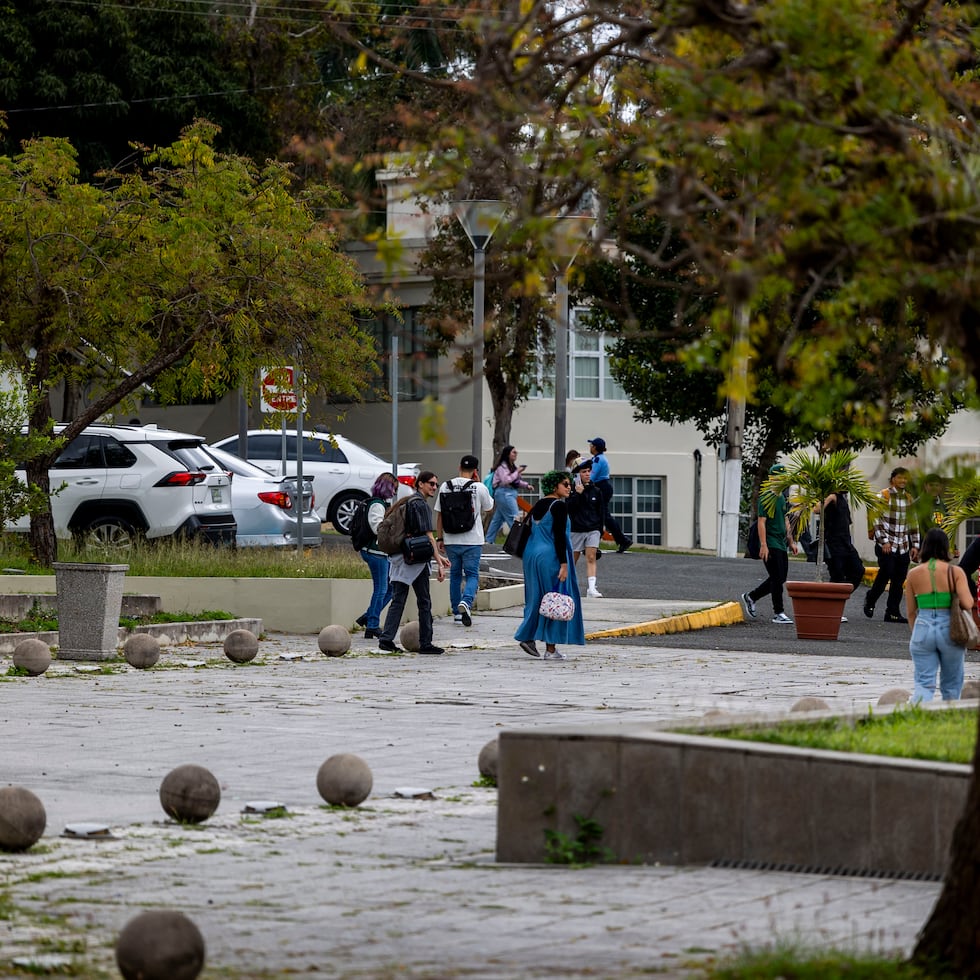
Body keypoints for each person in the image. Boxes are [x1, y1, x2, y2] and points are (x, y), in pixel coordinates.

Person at [515, 469, 586, 661]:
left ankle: (527, 635)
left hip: (531, 555)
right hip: (550, 556)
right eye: (565, 484)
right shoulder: (559, 506)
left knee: (535, 598)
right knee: (555, 598)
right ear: (555, 486)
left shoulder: (539, 504)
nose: (569, 487)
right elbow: (560, 536)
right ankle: (551, 649)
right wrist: (564, 563)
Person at [378, 471, 450, 655]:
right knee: (424, 602)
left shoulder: (407, 501)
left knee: (398, 600)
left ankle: (386, 639)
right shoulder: (420, 505)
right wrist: (439, 562)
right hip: (416, 560)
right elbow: (428, 536)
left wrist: (438, 557)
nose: (434, 487)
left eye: (436, 484)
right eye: (431, 484)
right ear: (420, 484)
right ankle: (425, 643)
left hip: (401, 557)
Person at [904, 528, 974, 702]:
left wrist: (917, 631)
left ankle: (917, 714)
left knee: (923, 684)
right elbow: (967, 603)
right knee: (951, 685)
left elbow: (911, 612)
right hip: (950, 629)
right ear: (945, 547)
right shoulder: (955, 572)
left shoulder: (913, 574)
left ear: (924, 547)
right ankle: (949, 715)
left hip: (922, 627)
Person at [434, 454, 494, 627]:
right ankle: (466, 602)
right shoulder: (479, 487)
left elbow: (440, 515)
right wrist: (479, 483)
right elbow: (489, 508)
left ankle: (456, 613)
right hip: (472, 540)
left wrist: (440, 538)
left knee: (455, 575)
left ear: (459, 467)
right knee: (472, 574)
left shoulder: (445, 486)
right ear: (475, 470)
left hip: (451, 539)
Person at [740, 463, 800, 624]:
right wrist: (764, 544)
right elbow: (761, 522)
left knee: (780, 578)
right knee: (776, 577)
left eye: (784, 478)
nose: (782, 480)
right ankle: (778, 612)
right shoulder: (766, 497)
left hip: (781, 543)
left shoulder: (781, 497)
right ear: (772, 478)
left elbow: (786, 519)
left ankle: (751, 596)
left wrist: (791, 541)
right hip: (770, 542)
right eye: (779, 477)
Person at [865, 466, 920, 623]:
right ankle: (870, 599)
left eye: (905, 478)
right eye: (900, 477)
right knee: (886, 572)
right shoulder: (883, 496)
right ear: (893, 479)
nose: (903, 480)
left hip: (903, 545)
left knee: (899, 579)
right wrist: (884, 541)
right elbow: (876, 520)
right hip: (886, 544)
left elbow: (913, 523)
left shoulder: (908, 499)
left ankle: (892, 612)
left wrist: (915, 545)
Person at [355, 472, 398, 639]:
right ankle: (372, 625)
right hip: (375, 552)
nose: (395, 492)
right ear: (387, 488)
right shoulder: (377, 505)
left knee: (389, 588)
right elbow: (377, 528)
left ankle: (369, 617)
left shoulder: (379, 504)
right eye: (393, 488)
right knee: (381, 589)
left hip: (378, 552)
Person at [821, 487, 866, 609]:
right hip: (834, 544)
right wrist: (827, 497)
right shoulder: (832, 496)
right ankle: (830, 608)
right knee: (837, 576)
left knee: (858, 570)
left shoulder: (843, 499)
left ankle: (837, 600)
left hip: (846, 543)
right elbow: (817, 509)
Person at [587, 437, 632, 554]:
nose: (590, 447)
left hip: (601, 487)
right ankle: (620, 540)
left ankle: (623, 540)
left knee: (604, 516)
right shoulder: (598, 458)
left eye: (591, 445)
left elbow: (592, 477)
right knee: (600, 516)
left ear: (595, 447)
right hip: (602, 487)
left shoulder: (598, 459)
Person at [568, 459, 604, 597]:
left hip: (593, 529)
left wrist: (600, 529)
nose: (587, 474)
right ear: (577, 475)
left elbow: (601, 511)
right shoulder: (571, 490)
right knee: (572, 559)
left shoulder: (596, 491)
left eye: (589, 471)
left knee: (591, 556)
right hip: (576, 529)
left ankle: (591, 588)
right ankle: (568, 586)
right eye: (584, 472)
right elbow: (569, 508)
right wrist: (578, 494)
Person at [484, 445, 533, 544]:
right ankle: (518, 541)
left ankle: (489, 540)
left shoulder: (512, 467)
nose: (516, 454)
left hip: (508, 493)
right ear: (507, 454)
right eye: (513, 452)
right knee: (514, 517)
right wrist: (517, 471)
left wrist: (526, 485)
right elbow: (506, 480)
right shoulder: (502, 467)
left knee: (498, 519)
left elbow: (516, 481)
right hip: (504, 493)